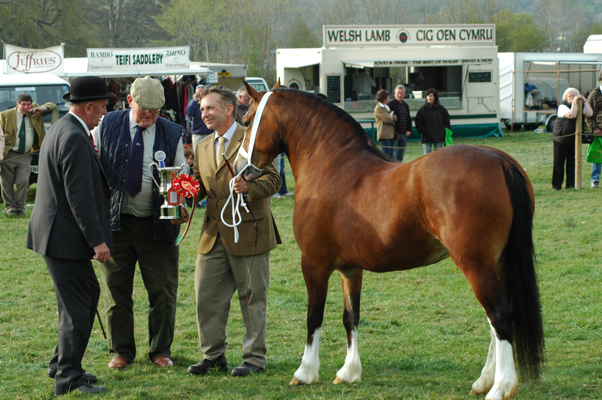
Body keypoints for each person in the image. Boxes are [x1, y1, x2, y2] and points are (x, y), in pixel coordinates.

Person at [183, 85, 281, 377]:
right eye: (202, 109)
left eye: (210, 108)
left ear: (229, 109)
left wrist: (249, 187)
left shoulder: (251, 139)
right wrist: (183, 195)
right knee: (206, 296)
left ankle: (254, 358)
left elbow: (274, 180)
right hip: (212, 234)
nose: (204, 113)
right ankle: (213, 355)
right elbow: (200, 187)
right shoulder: (201, 146)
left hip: (249, 231)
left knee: (252, 298)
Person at [26, 76, 114, 395]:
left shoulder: (64, 128)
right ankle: (68, 378)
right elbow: (80, 197)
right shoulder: (74, 136)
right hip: (63, 237)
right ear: (88, 107)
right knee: (78, 305)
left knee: (82, 299)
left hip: (56, 235)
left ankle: (62, 363)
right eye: (103, 106)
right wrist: (97, 241)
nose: (105, 111)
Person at [91, 76, 186, 370]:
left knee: (163, 290)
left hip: (157, 226)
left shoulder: (172, 132)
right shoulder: (106, 126)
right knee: (117, 290)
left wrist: (181, 201)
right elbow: (88, 161)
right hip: (116, 224)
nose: (150, 115)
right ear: (129, 101)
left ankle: (160, 350)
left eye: (156, 110)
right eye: (144, 109)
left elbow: (180, 175)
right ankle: (121, 351)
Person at [0, 94, 56, 215]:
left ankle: (20, 208)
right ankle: (10, 209)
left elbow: (53, 106)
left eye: (28, 104)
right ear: (17, 104)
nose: (26, 107)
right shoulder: (5, 115)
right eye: (23, 104)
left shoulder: (36, 112)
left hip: (26, 154)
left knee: (23, 182)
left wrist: (42, 108)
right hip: (9, 153)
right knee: (7, 182)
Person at [552, 88, 593, 191]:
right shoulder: (562, 106)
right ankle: (556, 186)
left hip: (573, 139)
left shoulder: (580, 105)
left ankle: (570, 185)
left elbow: (589, 114)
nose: (572, 98)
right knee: (559, 162)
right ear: (566, 97)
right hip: (560, 138)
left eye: (574, 96)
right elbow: (572, 115)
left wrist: (585, 101)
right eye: (570, 96)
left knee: (572, 162)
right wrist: (575, 101)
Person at [415, 88, 451, 155]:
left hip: (439, 138)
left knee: (438, 156)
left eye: (431, 96)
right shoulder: (422, 109)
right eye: (428, 96)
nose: (429, 97)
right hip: (427, 138)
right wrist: (425, 131)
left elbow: (447, 121)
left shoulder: (441, 109)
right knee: (427, 156)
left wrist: (443, 132)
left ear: (435, 97)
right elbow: (418, 122)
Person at [185, 84, 214, 151]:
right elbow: (189, 113)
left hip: (210, 132)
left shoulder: (210, 101)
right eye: (199, 93)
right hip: (198, 133)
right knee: (198, 154)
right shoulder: (193, 102)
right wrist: (195, 101)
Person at [388, 85, 413, 162]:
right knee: (393, 157)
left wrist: (409, 131)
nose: (400, 95)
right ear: (395, 94)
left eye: (401, 93)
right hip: (394, 135)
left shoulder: (406, 105)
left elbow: (408, 119)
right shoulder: (390, 105)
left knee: (400, 157)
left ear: (404, 94)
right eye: (398, 93)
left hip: (404, 135)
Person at [586, 71, 602, 189]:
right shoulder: (594, 95)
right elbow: (588, 115)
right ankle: (595, 179)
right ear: (600, 80)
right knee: (597, 156)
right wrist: (594, 128)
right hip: (598, 131)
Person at [374, 89, 397, 158]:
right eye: (388, 97)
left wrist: (393, 118)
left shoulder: (386, 107)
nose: (389, 99)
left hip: (390, 135)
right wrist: (392, 118)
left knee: (391, 155)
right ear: (384, 98)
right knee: (387, 156)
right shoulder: (379, 108)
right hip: (385, 135)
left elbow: (395, 116)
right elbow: (388, 119)